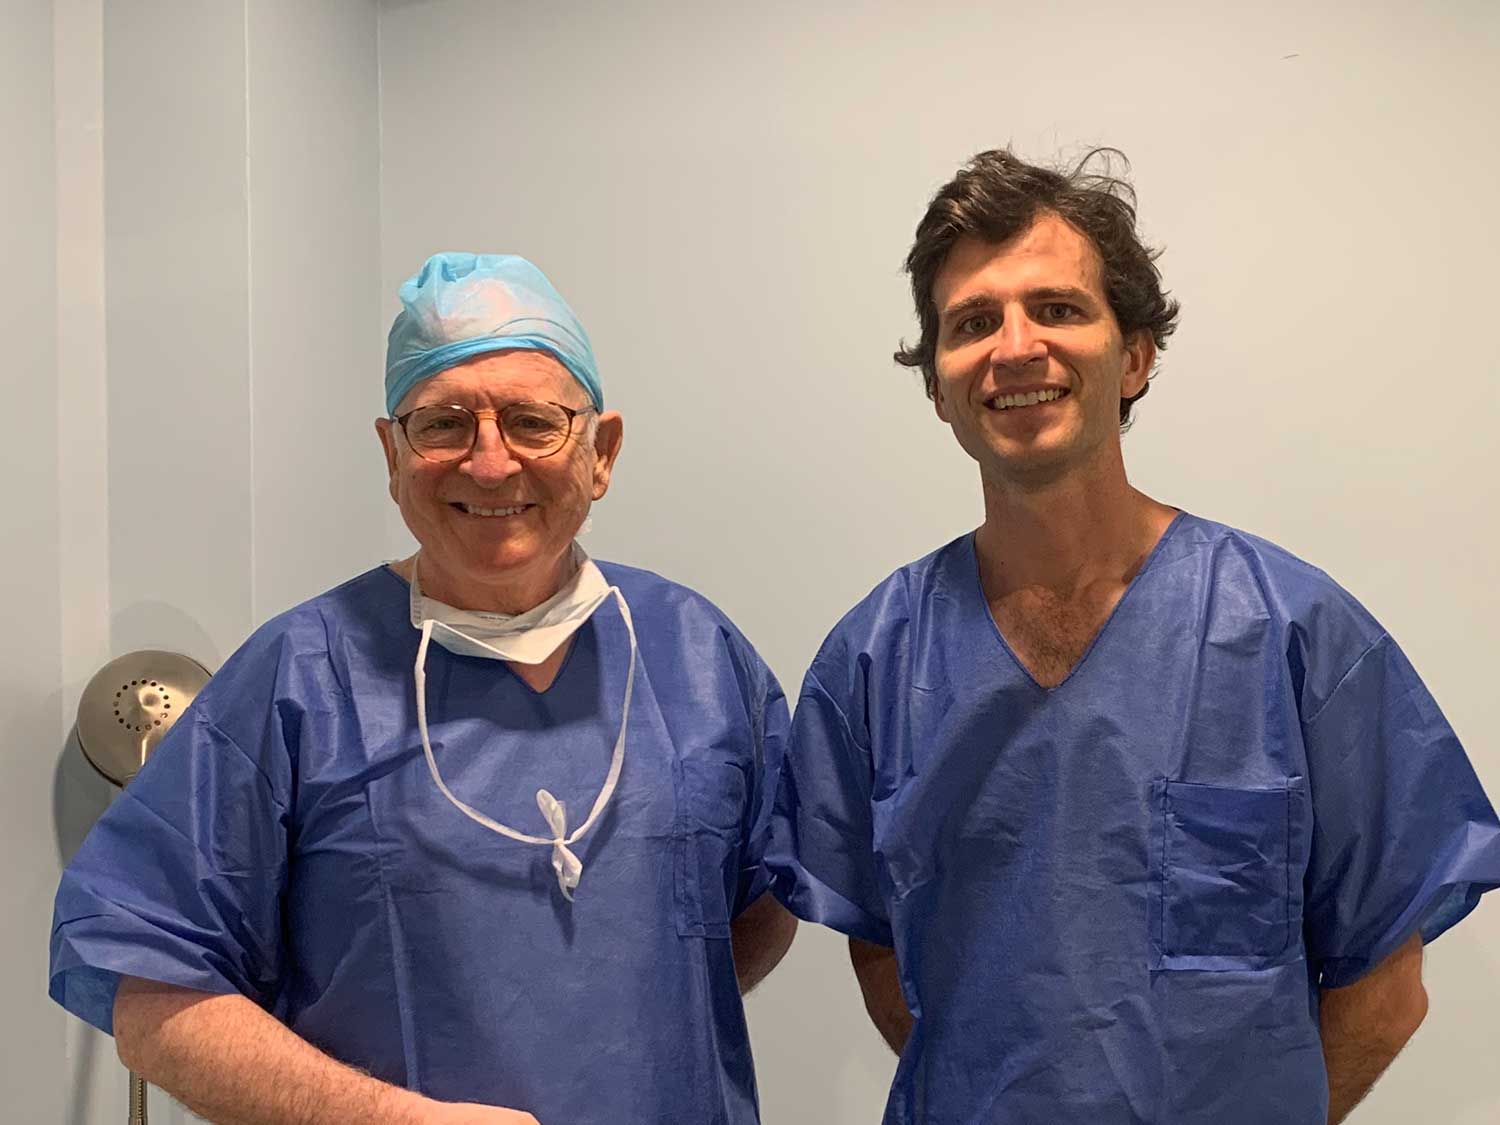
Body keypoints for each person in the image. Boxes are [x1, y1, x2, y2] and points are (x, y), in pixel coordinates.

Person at [768, 150, 1500, 1123]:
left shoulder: (1294, 637)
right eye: (973, 322)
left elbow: (1388, 988)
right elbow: (880, 948)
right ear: (938, 386)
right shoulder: (876, 661)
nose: (1015, 347)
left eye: (1057, 308)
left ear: (1136, 357)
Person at [50, 252, 796, 1125]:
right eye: (443, 424)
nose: (490, 463)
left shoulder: (698, 657)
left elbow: (758, 905)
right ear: (392, 453)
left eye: (533, 422)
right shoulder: (300, 679)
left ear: (602, 453)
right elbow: (150, 996)